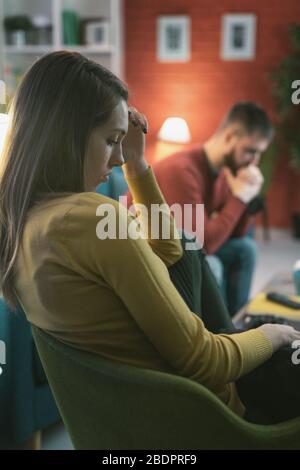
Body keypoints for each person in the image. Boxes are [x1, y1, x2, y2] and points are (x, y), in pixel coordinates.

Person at [0, 51, 299, 426]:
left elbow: (172, 250)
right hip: (210, 408)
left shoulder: (22, 218)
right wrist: (272, 334)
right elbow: (204, 361)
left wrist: (137, 164)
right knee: (282, 338)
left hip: (140, 411)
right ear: (68, 134)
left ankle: (243, 333)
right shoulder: (92, 218)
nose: (116, 161)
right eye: (111, 141)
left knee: (188, 244)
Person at [142, 103, 274, 316]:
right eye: (250, 151)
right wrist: (239, 198)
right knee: (212, 265)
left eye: (258, 154)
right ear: (230, 137)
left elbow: (236, 234)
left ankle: (235, 323)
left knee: (245, 248)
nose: (254, 161)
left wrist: (247, 198)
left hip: (186, 247)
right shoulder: (183, 170)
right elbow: (203, 245)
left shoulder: (223, 173)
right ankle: (219, 337)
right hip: (153, 255)